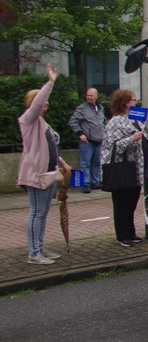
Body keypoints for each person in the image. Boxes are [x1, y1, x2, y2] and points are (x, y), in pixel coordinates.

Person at [18, 63, 73, 264]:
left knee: (42, 212)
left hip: (49, 174)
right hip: (37, 175)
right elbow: (37, 104)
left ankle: (39, 248)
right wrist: (50, 82)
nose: (45, 106)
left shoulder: (42, 123)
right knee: (37, 212)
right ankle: (34, 253)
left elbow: (50, 147)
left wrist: (62, 163)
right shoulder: (28, 120)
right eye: (43, 103)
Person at [102, 89, 145, 247]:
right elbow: (112, 146)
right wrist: (131, 139)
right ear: (125, 103)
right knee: (122, 204)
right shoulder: (115, 122)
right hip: (122, 168)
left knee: (131, 202)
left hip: (136, 168)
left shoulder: (135, 119)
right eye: (133, 99)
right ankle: (122, 235)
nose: (135, 102)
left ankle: (130, 232)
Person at [68, 87, 106, 193]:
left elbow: (102, 122)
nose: (89, 97)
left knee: (97, 163)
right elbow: (72, 121)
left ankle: (95, 182)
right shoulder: (82, 108)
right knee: (85, 163)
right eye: (87, 95)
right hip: (87, 141)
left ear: (96, 96)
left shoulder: (101, 108)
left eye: (91, 95)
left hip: (99, 140)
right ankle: (85, 184)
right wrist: (80, 133)